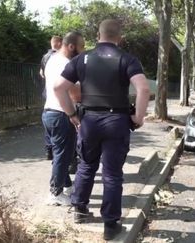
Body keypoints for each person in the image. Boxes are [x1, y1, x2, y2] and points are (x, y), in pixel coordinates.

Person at [53, 19, 150, 240]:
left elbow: (59, 88)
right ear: (120, 37)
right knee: (112, 173)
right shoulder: (127, 59)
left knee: (86, 165)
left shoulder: (82, 59)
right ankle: (110, 225)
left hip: (89, 121)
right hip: (117, 121)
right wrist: (138, 117)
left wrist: (72, 114)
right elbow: (143, 89)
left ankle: (79, 209)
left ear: (98, 35)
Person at [42, 32, 84, 206]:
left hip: (49, 112)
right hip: (62, 113)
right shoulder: (66, 64)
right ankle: (55, 193)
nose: (83, 51)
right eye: (81, 47)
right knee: (63, 155)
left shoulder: (52, 60)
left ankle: (65, 185)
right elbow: (73, 92)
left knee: (61, 154)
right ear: (71, 46)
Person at [40, 36, 62, 160]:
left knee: (48, 119)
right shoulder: (59, 57)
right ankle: (58, 150)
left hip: (47, 92)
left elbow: (41, 73)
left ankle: (49, 148)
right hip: (58, 91)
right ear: (58, 43)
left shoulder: (44, 57)